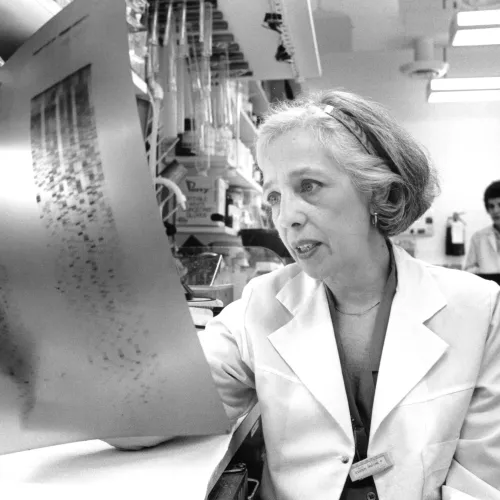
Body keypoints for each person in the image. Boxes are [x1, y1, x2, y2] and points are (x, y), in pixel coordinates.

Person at [105, 90, 500, 500]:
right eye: (274, 196)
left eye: (308, 186)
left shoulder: (477, 310)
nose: (285, 217)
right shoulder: (263, 305)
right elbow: (140, 415)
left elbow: (482, 482)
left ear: (380, 193)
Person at [464, 180, 500, 274]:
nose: (495, 211)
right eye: (491, 206)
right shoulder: (478, 237)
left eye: (499, 205)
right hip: (489, 286)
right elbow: (468, 271)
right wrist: (484, 273)